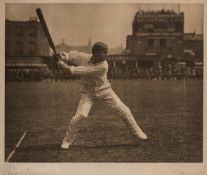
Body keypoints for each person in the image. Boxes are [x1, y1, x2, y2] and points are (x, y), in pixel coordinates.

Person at [57, 42, 147, 149]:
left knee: (124, 110)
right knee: (80, 116)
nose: (106, 55)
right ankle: (67, 140)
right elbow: (74, 55)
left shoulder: (104, 66)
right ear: (95, 53)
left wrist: (64, 66)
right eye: (104, 52)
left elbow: (81, 71)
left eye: (106, 52)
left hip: (105, 90)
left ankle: (137, 131)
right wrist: (65, 55)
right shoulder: (84, 57)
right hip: (88, 93)